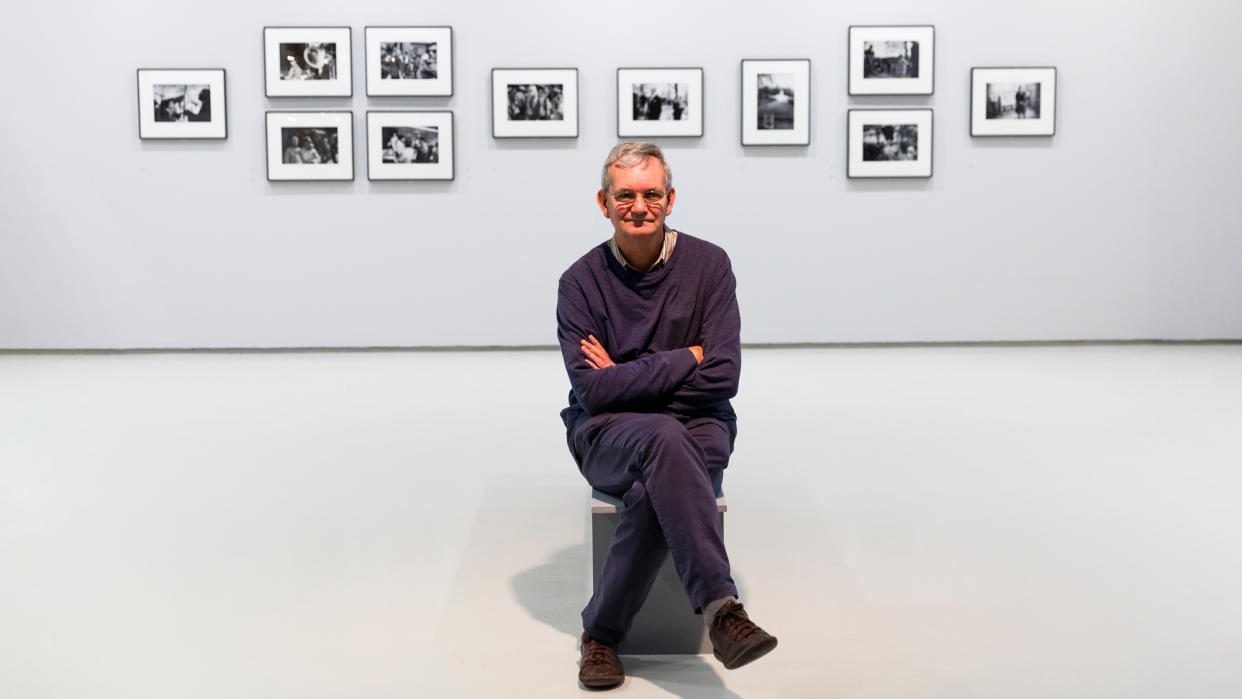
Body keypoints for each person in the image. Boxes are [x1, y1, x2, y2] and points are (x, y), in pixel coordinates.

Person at [557, 142, 778, 689]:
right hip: (606, 433)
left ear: (671, 199)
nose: (639, 205)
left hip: (701, 426)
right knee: (660, 436)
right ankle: (722, 609)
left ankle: (601, 636)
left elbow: (724, 376)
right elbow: (591, 389)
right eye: (625, 195)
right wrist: (685, 358)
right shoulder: (579, 283)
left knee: (654, 477)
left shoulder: (710, 265)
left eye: (651, 193)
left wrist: (626, 379)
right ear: (603, 204)